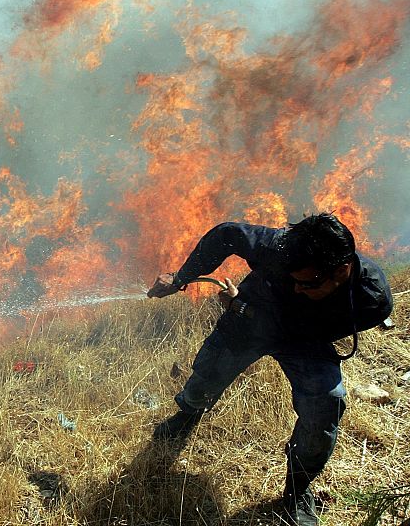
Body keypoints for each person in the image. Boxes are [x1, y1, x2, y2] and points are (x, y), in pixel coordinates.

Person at [147, 213, 393, 526]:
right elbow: (227, 234)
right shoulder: (280, 247)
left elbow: (304, 330)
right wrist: (181, 277)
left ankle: (298, 490)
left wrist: (241, 307)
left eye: (305, 283)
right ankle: (187, 414)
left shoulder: (372, 301)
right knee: (206, 377)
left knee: (326, 401)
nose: (295, 288)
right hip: (248, 321)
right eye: (289, 278)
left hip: (303, 337)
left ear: (341, 272)